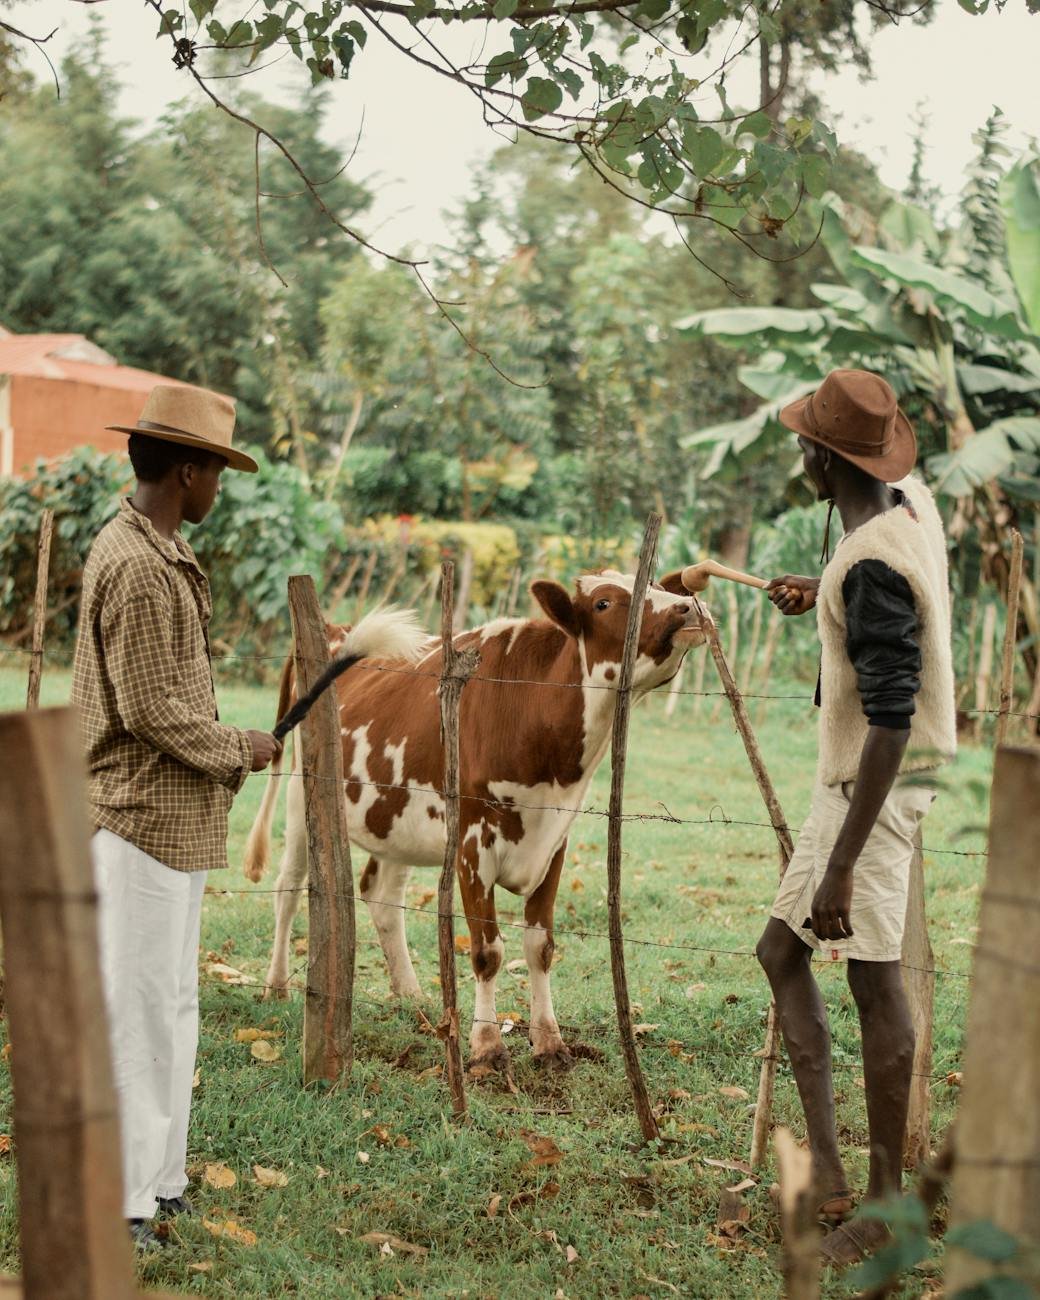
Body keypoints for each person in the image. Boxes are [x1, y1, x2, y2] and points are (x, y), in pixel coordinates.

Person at [754, 368, 956, 1266]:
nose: (798, 450)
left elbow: (891, 714)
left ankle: (885, 1208)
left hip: (872, 788)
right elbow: (873, 603)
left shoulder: (873, 560)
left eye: (805, 440)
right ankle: (834, 1175)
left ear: (818, 457)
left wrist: (841, 864)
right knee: (779, 950)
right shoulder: (899, 514)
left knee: (876, 986)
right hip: (854, 785)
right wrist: (823, 589)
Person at [71, 384, 280, 1250]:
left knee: (173, 1003)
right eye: (218, 472)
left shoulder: (159, 551)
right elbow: (154, 708)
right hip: (136, 821)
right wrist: (242, 745)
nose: (221, 489)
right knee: (137, 1011)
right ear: (188, 471)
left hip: (169, 821)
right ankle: (121, 1204)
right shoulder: (133, 564)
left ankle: (160, 1183)